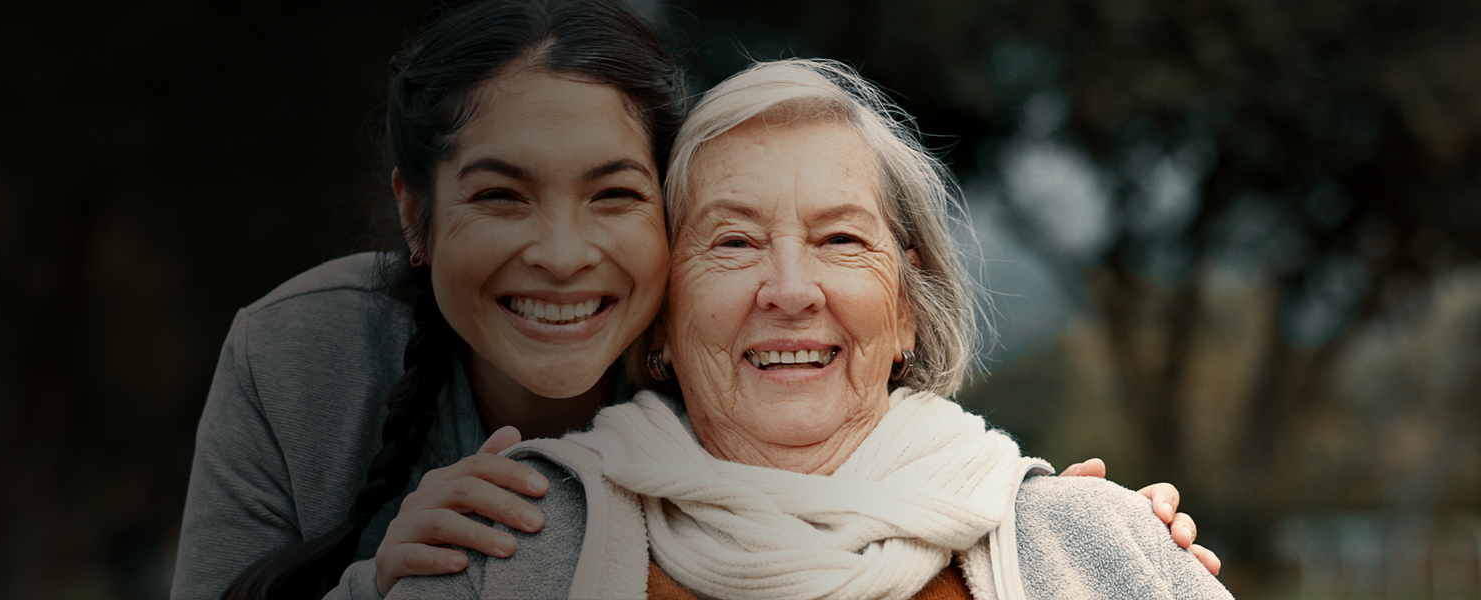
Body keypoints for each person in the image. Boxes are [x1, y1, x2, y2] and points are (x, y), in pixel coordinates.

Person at [172, 2, 1214, 599]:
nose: (790, 290)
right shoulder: (498, 547)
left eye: (842, 239)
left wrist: (1094, 534)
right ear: (668, 327)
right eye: (733, 241)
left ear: (909, 309)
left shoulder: (1083, 544)